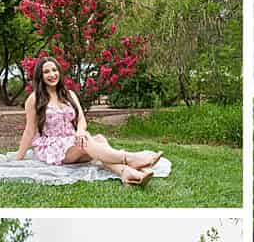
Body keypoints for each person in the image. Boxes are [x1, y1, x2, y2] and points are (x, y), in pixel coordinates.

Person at [14, 56, 161, 185]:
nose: (52, 74)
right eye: (46, 72)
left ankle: (126, 173)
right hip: (53, 147)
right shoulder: (34, 99)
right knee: (88, 144)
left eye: (54, 70)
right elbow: (29, 130)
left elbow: (81, 119)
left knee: (99, 139)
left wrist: (79, 131)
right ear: (40, 76)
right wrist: (18, 158)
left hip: (73, 139)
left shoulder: (69, 94)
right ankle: (130, 158)